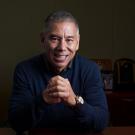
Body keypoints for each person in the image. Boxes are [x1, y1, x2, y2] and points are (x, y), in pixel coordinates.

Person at [8, 10, 108, 134]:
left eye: (69, 40)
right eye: (54, 39)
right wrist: (42, 100)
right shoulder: (24, 70)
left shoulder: (90, 70)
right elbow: (16, 123)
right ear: (42, 40)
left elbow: (101, 122)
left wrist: (74, 101)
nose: (62, 47)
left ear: (77, 43)